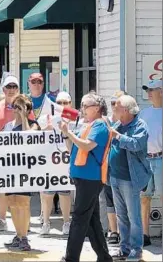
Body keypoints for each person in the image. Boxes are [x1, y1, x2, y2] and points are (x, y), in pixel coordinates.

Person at [58, 93, 112, 262]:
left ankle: (71, 257)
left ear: (97, 108)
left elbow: (87, 146)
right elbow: (71, 148)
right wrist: (67, 135)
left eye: (85, 106)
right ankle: (104, 257)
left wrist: (69, 133)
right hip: (84, 178)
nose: (82, 109)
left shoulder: (100, 126)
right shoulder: (87, 125)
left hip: (90, 178)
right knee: (91, 220)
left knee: (79, 219)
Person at [0, 75, 34, 232]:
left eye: (15, 86)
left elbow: (32, 130)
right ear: (4, 89)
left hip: (22, 158)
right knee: (2, 188)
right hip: (1, 155)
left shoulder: (26, 107)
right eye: (9, 87)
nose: (12, 89)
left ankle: (22, 230)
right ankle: (1, 218)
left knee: (20, 196)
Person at [109, 95, 152, 261]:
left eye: (117, 106)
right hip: (115, 176)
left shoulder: (140, 125)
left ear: (126, 110)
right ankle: (124, 248)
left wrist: (118, 136)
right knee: (121, 215)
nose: (114, 109)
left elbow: (136, 145)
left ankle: (136, 250)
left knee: (133, 217)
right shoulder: (118, 125)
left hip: (130, 178)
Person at [3, 94, 40, 251]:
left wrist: (24, 116)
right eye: (16, 106)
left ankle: (24, 237)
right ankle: (18, 235)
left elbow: (28, 138)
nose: (17, 110)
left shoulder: (34, 125)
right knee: (12, 203)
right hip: (10, 169)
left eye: (22, 107)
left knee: (23, 203)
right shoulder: (8, 126)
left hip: (26, 169)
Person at [40, 91, 72, 235]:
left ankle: (66, 222)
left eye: (65, 103)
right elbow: (36, 134)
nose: (62, 106)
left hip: (66, 161)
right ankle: (46, 222)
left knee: (65, 193)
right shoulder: (47, 117)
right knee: (47, 194)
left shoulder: (75, 118)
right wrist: (47, 127)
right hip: (49, 162)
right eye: (59, 103)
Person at [100, 90, 125, 244]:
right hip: (109, 166)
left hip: (124, 167)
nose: (114, 106)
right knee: (110, 199)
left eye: (118, 103)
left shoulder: (127, 121)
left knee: (124, 201)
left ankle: (124, 232)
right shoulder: (106, 121)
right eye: (112, 103)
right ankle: (113, 231)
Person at [139, 80, 162, 246]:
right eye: (148, 90)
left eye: (152, 90)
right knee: (144, 198)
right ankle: (145, 234)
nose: (149, 93)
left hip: (161, 159)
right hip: (146, 160)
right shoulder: (143, 114)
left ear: (161, 91)